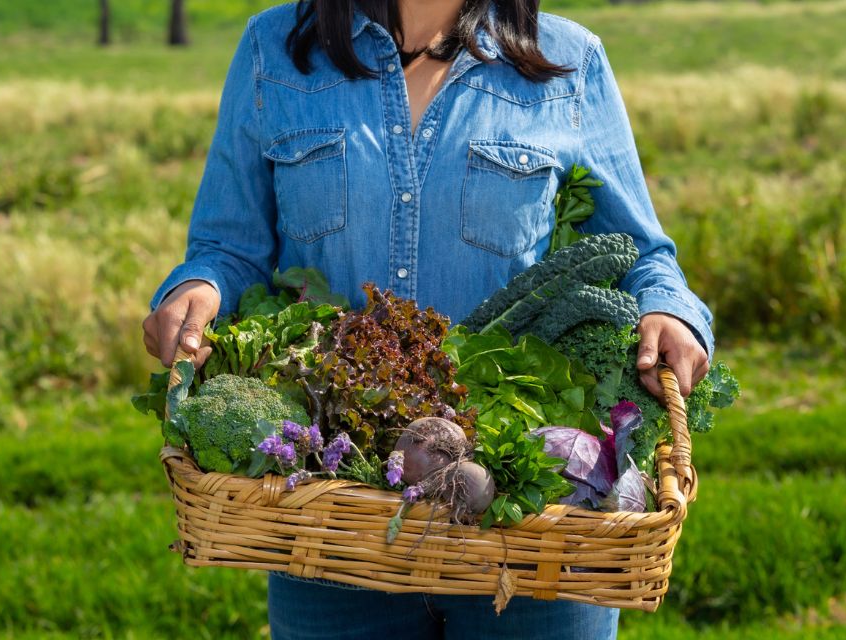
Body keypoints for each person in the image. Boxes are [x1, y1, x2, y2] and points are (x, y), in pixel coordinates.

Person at [142, 1, 714, 638]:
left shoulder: (567, 62)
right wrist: (199, 285)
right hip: (336, 533)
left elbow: (642, 257)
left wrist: (669, 310)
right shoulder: (274, 50)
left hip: (532, 532)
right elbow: (230, 248)